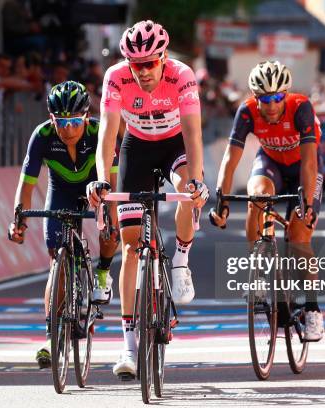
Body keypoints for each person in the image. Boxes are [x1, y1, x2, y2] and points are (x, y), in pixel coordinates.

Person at [86, 20, 208, 379]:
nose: (142, 72)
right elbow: (107, 134)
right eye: (135, 65)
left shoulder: (182, 75)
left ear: (163, 57)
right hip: (136, 148)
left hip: (174, 146)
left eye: (149, 64)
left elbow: (193, 133)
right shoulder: (116, 76)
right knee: (130, 245)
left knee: (187, 188)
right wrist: (101, 180)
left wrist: (197, 182)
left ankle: (182, 260)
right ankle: (128, 346)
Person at [209, 61, 325, 341]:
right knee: (256, 197)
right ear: (254, 97)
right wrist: (221, 200)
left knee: (298, 237)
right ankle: (258, 272)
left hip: (302, 168)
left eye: (276, 98)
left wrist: (307, 204)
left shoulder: (301, 108)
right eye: (264, 99)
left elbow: (309, 163)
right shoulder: (247, 112)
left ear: (284, 94)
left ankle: (312, 308)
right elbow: (230, 158)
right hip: (270, 161)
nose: (271, 105)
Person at [7, 81, 119, 369]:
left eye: (74, 121)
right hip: (61, 192)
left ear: (85, 117)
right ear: (51, 118)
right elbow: (26, 184)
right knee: (57, 258)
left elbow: (114, 184)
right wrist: (18, 218)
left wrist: (110, 217)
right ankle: (50, 336)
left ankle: (103, 276)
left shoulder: (99, 132)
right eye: (61, 122)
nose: (67, 129)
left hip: (98, 187)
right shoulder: (42, 135)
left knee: (111, 229)